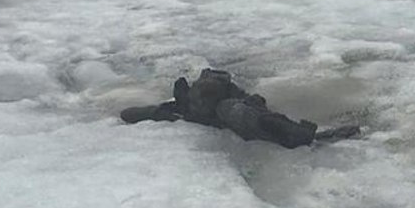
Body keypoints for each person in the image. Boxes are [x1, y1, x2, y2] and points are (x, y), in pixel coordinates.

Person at [120, 68, 359, 148]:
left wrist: (310, 137)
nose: (199, 105)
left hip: (255, 118)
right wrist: (167, 111)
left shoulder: (230, 108)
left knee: (243, 116)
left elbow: (267, 122)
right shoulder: (186, 106)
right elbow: (128, 114)